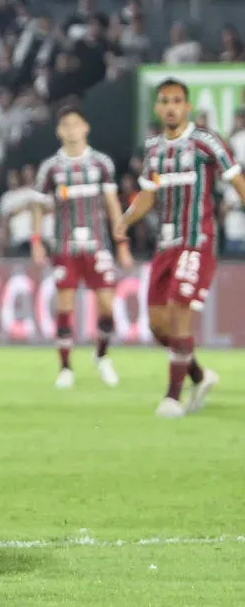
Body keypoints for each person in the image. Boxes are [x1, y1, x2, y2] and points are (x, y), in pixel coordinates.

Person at [117, 78, 245, 418]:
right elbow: (147, 195)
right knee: (159, 326)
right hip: (166, 246)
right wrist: (125, 221)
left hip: (197, 242)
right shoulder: (155, 150)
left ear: (186, 107)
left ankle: (173, 397)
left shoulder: (206, 143)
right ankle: (200, 377)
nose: (171, 107)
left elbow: (236, 178)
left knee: (178, 312)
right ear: (158, 108)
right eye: (165, 101)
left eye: (177, 101)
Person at [31, 106, 134, 389]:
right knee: (65, 306)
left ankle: (101, 355)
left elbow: (113, 205)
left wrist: (122, 243)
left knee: (107, 306)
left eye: (77, 124)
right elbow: (38, 206)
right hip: (65, 247)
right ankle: (65, 367)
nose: (73, 130)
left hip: (98, 245)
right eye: (67, 125)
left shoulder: (101, 163)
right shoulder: (51, 167)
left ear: (86, 127)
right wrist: (37, 240)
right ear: (59, 131)